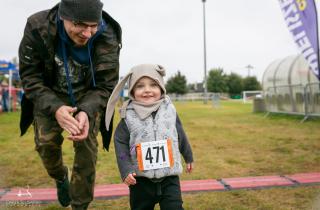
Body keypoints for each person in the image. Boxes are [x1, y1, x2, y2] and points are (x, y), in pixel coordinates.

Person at [18, 0, 121, 209]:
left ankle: (80, 205)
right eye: (80, 25)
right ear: (63, 16)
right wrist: (55, 108)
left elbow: (106, 84)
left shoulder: (108, 34)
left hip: (88, 97)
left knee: (87, 153)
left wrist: (86, 111)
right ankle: (60, 177)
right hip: (50, 95)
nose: (88, 33)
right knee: (46, 146)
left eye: (93, 25)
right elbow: (30, 77)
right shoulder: (37, 26)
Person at [105, 64, 194, 210]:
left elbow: (179, 133)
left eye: (153, 84)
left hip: (169, 178)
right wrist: (125, 169)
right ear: (132, 90)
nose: (147, 90)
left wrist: (188, 156)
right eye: (140, 86)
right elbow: (120, 142)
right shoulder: (127, 115)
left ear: (161, 87)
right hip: (140, 182)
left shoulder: (169, 110)